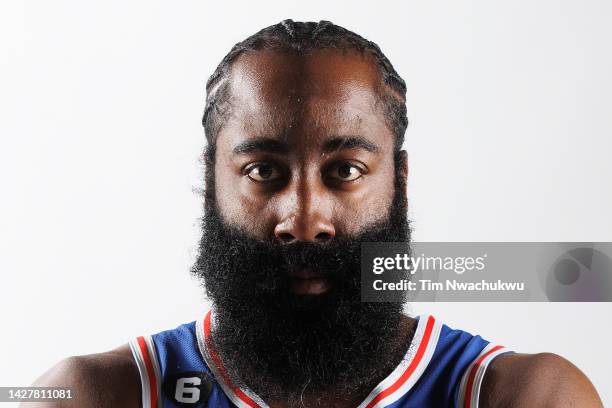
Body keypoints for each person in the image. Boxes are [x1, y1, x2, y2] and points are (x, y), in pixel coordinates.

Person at [24, 20, 602, 408]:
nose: (303, 220)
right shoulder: (93, 396)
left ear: (399, 183)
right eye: (263, 172)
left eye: (345, 170)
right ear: (210, 181)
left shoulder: (526, 395)